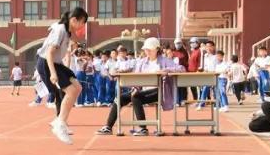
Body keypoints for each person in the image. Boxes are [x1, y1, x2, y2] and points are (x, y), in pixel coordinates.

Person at [96, 37, 184, 135]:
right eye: (146, 49)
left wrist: (167, 70)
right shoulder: (142, 62)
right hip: (142, 91)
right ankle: (108, 127)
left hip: (159, 91)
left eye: (150, 49)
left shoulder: (164, 61)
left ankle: (143, 128)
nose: (147, 51)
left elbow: (181, 68)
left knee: (136, 97)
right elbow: (136, 77)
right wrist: (135, 87)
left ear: (157, 49)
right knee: (121, 97)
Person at [38, 8, 89, 144]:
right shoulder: (60, 30)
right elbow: (49, 53)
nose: (83, 26)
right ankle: (60, 124)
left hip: (58, 64)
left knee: (77, 88)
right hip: (47, 63)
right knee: (71, 91)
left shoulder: (67, 32)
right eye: (82, 22)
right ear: (74, 20)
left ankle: (60, 120)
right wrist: (53, 73)